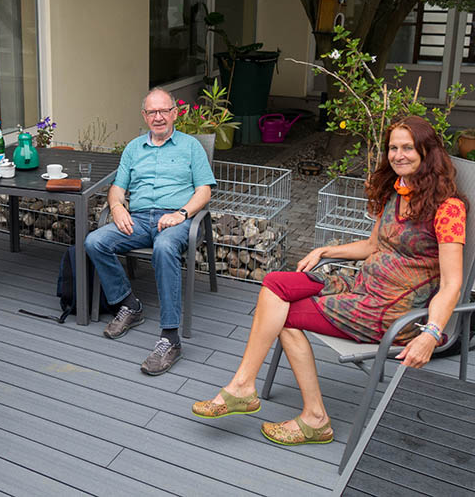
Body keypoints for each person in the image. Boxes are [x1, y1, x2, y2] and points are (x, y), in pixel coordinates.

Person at [192, 116, 467, 445]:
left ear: (427, 152)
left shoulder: (448, 209)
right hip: (360, 287)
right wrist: (325, 249)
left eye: (407, 147)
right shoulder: (398, 193)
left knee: (283, 317)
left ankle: (313, 418)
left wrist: (431, 333)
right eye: (393, 147)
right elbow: (372, 246)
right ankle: (243, 387)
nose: (398, 155)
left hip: (389, 311)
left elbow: (452, 283)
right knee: (276, 283)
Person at [84, 87, 216, 375]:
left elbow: (204, 192)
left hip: (177, 220)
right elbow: (117, 189)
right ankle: (130, 304)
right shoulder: (133, 148)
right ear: (145, 116)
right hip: (140, 219)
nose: (159, 117)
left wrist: (180, 214)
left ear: (175, 113)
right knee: (95, 241)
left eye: (164, 111)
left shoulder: (191, 147)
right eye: (152, 112)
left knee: (165, 247)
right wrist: (117, 208)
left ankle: (170, 338)